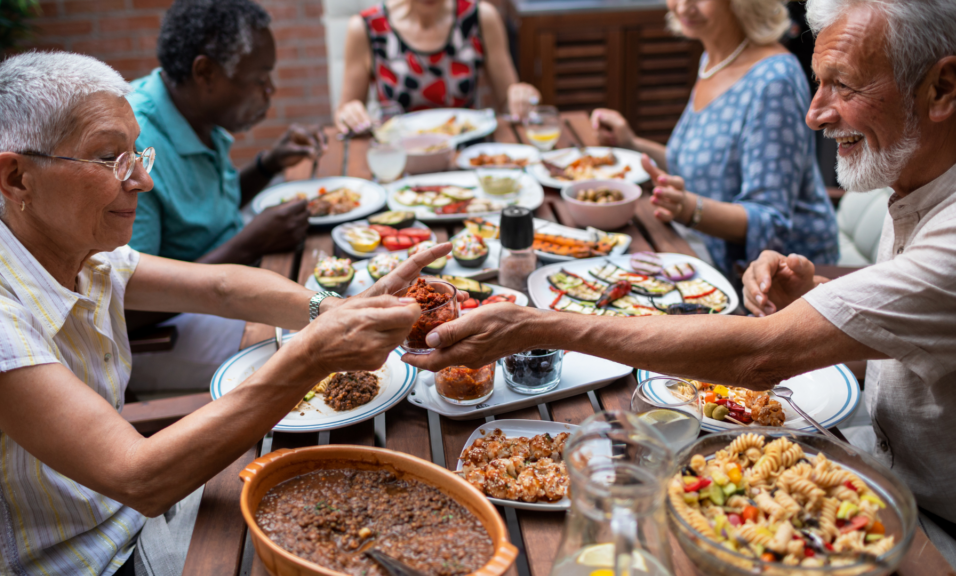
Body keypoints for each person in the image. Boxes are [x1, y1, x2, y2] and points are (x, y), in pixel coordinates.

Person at [406, 0, 956, 563]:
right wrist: (816, 306)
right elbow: (902, 352)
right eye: (822, 85)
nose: (816, 113)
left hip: (925, 524)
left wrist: (532, 327)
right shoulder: (913, 182)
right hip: (864, 465)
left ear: (942, 89)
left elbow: (762, 360)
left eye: (844, 86)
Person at [0, 50, 453, 575]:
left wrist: (334, 309)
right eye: (110, 158)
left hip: (128, 522)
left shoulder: (71, 244)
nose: (141, 180)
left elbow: (224, 288)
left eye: (137, 153)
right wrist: (313, 354)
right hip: (85, 562)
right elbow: (141, 478)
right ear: (17, 179)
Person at [126, 0, 328, 391]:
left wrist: (266, 166)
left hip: (223, 290)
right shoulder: (137, 146)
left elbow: (204, 212)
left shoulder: (193, 113)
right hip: (165, 330)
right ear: (206, 72)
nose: (270, 90)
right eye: (259, 77)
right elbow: (130, 303)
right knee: (317, 344)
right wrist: (250, 241)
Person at [591, 0, 839, 278]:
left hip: (784, 280)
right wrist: (630, 144)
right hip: (703, 250)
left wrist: (687, 208)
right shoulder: (712, 60)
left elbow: (770, 219)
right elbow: (699, 165)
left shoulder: (775, 79)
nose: (683, 7)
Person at [334, 0, 540, 133]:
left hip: (466, 154)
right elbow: (344, 114)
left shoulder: (480, 17)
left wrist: (521, 97)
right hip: (399, 158)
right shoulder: (366, 27)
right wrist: (349, 115)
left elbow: (507, 104)